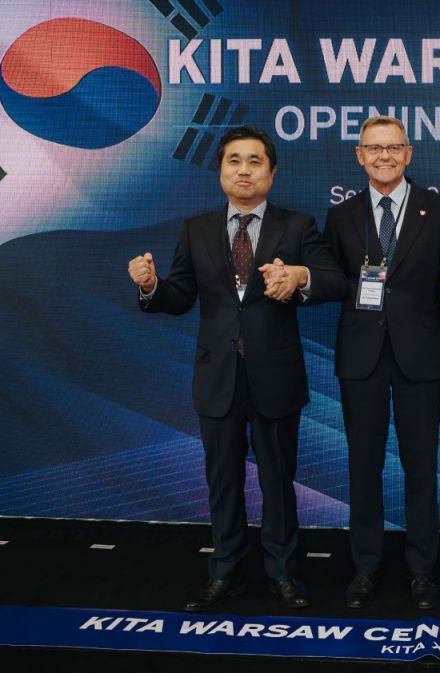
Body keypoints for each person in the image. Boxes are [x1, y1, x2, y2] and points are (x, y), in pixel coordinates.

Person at [127, 126, 345, 611]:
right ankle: (225, 573)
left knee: (278, 481)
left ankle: (283, 573)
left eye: (254, 161)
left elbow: (334, 281)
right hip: (217, 377)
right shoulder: (197, 229)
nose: (244, 170)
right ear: (221, 170)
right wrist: (151, 286)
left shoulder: (297, 226)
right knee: (223, 481)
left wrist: (299, 276)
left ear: (272, 172)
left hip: (276, 375)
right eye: (234, 161)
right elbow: (180, 296)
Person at [323, 115, 440, 610]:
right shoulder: (341, 216)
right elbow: (333, 280)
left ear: (408, 154)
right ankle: (365, 565)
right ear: (360, 156)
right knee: (363, 465)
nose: (384, 156)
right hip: (360, 356)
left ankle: (422, 568)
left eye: (393, 148)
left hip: (420, 356)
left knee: (421, 464)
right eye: (374, 148)